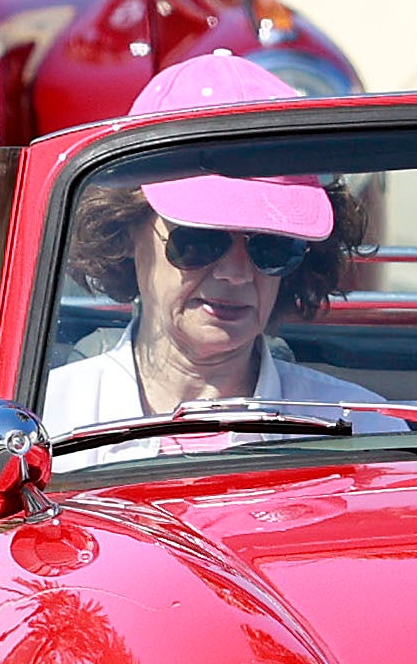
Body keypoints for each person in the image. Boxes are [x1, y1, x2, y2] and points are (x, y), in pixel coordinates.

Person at [41, 54, 390, 433]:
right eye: (199, 239)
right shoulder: (44, 429)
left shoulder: (363, 432)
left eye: (272, 246)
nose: (235, 273)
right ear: (127, 231)